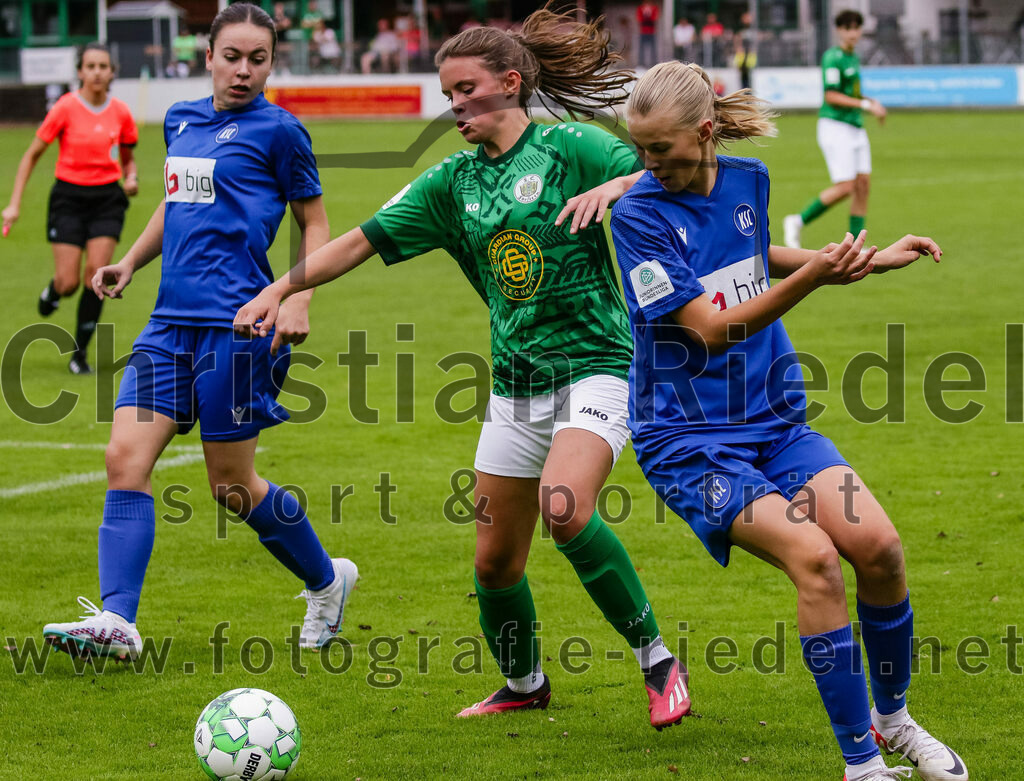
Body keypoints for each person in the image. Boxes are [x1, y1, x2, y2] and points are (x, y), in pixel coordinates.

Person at [236, 8, 690, 729]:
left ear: (510, 84)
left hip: (598, 366)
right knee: (493, 564)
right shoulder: (452, 184)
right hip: (515, 385)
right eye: (447, 95)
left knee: (565, 509)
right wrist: (281, 286)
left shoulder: (575, 147)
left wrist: (623, 186)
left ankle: (659, 661)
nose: (454, 108)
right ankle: (524, 682)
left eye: (466, 91)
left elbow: (674, 168)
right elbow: (358, 240)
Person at [610, 60, 968, 780]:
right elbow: (705, 331)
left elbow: (752, 254)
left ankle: (893, 719)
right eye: (639, 150)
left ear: (704, 133)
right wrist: (813, 278)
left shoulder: (747, 181)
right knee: (815, 559)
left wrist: (863, 260)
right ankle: (862, 765)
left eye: (659, 149)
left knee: (882, 548)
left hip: (774, 423)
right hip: (689, 440)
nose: (646, 165)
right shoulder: (637, 215)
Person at [41, 3, 357, 662]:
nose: (244, 70)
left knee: (232, 485)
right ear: (207, 56)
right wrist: (128, 259)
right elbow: (176, 199)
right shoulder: (182, 118)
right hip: (167, 324)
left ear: (273, 62)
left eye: (259, 58)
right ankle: (118, 620)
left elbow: (316, 221)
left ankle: (327, 581)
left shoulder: (281, 132)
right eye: (232, 56)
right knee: (124, 461)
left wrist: (298, 296)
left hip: (242, 326)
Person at [2, 43, 138, 375]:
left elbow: (128, 159)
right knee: (68, 282)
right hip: (68, 199)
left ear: (111, 72)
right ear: (80, 71)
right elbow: (31, 155)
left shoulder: (120, 112)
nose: (96, 72)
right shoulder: (65, 108)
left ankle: (79, 355)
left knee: (97, 274)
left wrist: (131, 177)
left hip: (107, 199)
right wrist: (14, 204)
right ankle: (54, 290)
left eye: (103, 66)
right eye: (90, 66)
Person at [784, 10, 886, 249]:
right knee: (845, 187)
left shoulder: (853, 58)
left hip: (856, 127)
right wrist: (865, 105)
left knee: (863, 186)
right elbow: (831, 96)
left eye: (857, 28)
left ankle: (855, 246)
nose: (853, 33)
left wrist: (871, 102)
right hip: (835, 127)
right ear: (839, 30)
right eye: (848, 28)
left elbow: (853, 94)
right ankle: (797, 221)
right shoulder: (832, 57)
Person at [637, 1, 660, 68]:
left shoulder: (654, 8)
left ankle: (653, 63)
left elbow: (655, 18)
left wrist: (648, 16)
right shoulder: (640, 8)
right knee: (641, 48)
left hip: (652, 32)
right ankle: (641, 63)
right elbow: (639, 18)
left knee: (653, 48)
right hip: (643, 31)